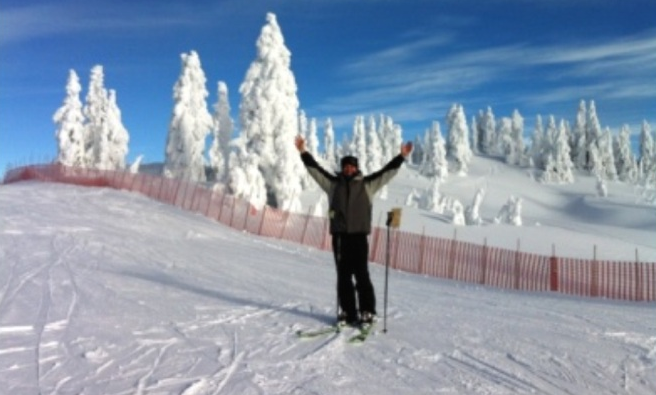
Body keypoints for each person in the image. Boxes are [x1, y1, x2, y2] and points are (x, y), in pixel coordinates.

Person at [295, 135, 412, 325]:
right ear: (342, 168)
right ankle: (348, 312)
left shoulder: (367, 185)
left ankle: (367, 311)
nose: (348, 169)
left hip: (358, 238)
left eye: (352, 166)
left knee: (362, 275)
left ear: (357, 168)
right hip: (340, 239)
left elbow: (386, 172)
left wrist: (401, 157)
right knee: (343, 277)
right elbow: (315, 171)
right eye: (345, 166)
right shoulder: (333, 185)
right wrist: (303, 152)